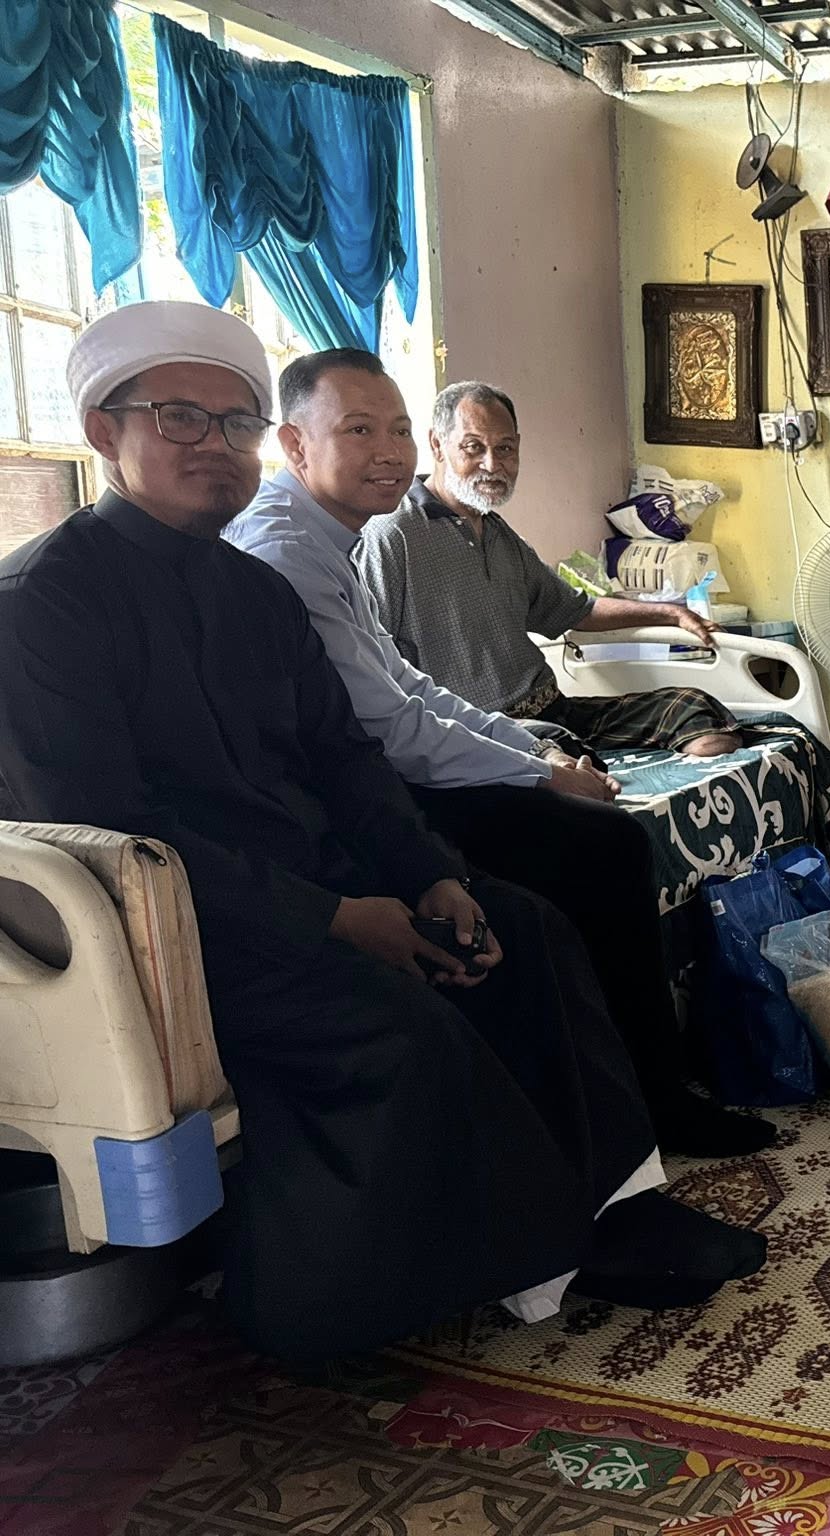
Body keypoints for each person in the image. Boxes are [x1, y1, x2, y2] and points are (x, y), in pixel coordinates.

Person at [0, 302, 764, 1358]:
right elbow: (114, 835)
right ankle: (501, 1263)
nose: (215, 445)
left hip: (321, 884)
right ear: (102, 430)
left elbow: (345, 757)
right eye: (181, 418)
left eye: (234, 423)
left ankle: (615, 1209)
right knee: (398, 1018)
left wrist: (428, 874)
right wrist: (335, 920)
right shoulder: (41, 603)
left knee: (522, 929)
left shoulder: (254, 592)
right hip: (184, 931)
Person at [224, 348, 770, 1158]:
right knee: (603, 845)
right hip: (344, 811)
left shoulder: (336, 537)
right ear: (295, 445)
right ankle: (649, 1102)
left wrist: (533, 750)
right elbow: (393, 728)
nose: (388, 451)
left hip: (406, 763)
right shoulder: (298, 552)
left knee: (614, 803)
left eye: (397, 429)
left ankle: (651, 1083)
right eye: (360, 430)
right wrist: (544, 774)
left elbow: (407, 684)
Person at [351, 378, 741, 755]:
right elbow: (370, 665)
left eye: (505, 448)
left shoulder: (498, 534)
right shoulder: (393, 534)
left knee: (697, 713)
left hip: (553, 712)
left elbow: (577, 610)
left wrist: (670, 613)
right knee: (559, 760)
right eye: (473, 447)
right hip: (479, 732)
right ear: (437, 445)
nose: (492, 464)